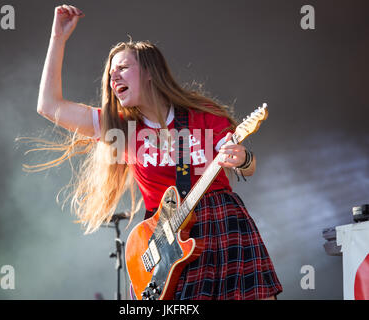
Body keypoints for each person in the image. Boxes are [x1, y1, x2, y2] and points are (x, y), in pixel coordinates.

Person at [34, 4, 283, 300]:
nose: (114, 78)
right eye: (110, 73)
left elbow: (246, 167)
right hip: (165, 243)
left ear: (150, 72)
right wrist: (57, 38)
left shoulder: (202, 115)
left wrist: (244, 159)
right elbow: (48, 106)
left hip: (220, 222)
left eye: (123, 68)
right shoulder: (120, 127)